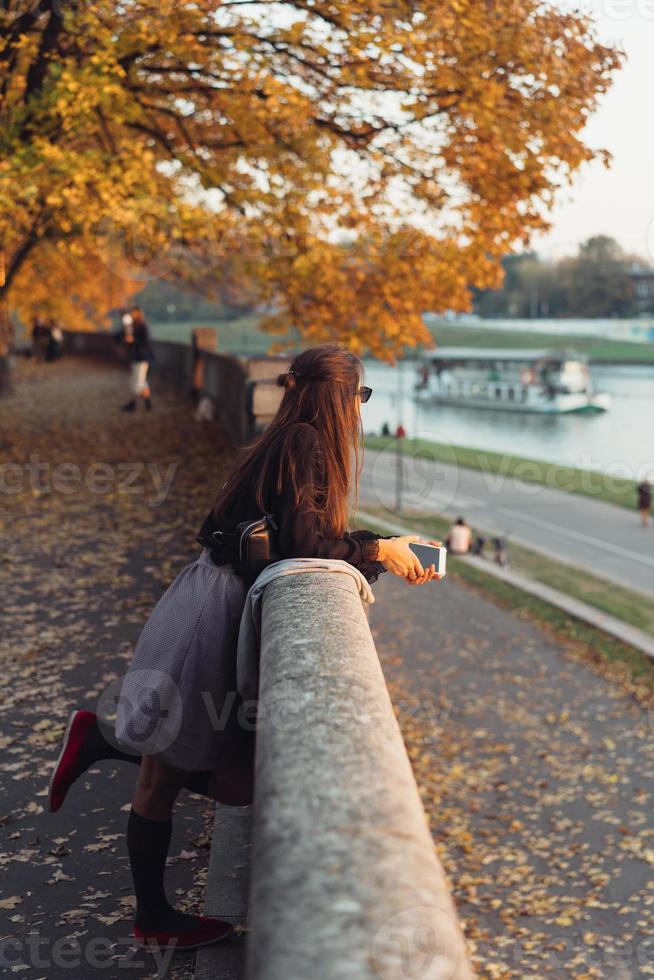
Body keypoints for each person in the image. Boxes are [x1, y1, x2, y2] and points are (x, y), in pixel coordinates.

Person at [47, 344, 443, 953]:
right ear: (339, 398)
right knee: (218, 782)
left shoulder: (287, 437)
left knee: (167, 767)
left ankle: (103, 752)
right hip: (212, 616)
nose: (361, 412)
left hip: (204, 598)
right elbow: (301, 548)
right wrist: (377, 553)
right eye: (359, 398)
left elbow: (301, 535)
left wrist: (381, 546)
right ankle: (150, 904)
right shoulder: (308, 446)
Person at [115, 306, 154, 411]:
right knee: (141, 381)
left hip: (142, 358)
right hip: (136, 357)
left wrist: (133, 340)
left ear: (138, 314)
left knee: (137, 382)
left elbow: (145, 343)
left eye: (134, 313)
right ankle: (148, 403)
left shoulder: (143, 327)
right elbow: (118, 336)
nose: (132, 315)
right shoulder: (132, 326)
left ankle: (133, 404)